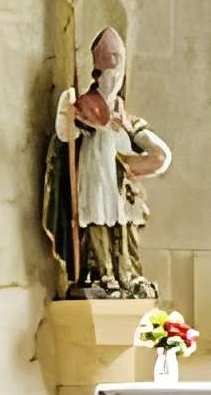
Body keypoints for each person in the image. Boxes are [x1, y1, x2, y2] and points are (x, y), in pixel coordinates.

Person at [46, 25, 174, 297]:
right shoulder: (86, 106)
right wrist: (64, 110)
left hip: (119, 183)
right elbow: (66, 135)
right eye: (108, 72)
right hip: (94, 179)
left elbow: (158, 152)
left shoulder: (124, 117)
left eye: (118, 72)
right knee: (96, 221)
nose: (113, 79)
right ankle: (101, 273)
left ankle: (128, 275)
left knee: (124, 226)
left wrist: (143, 161)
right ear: (97, 72)